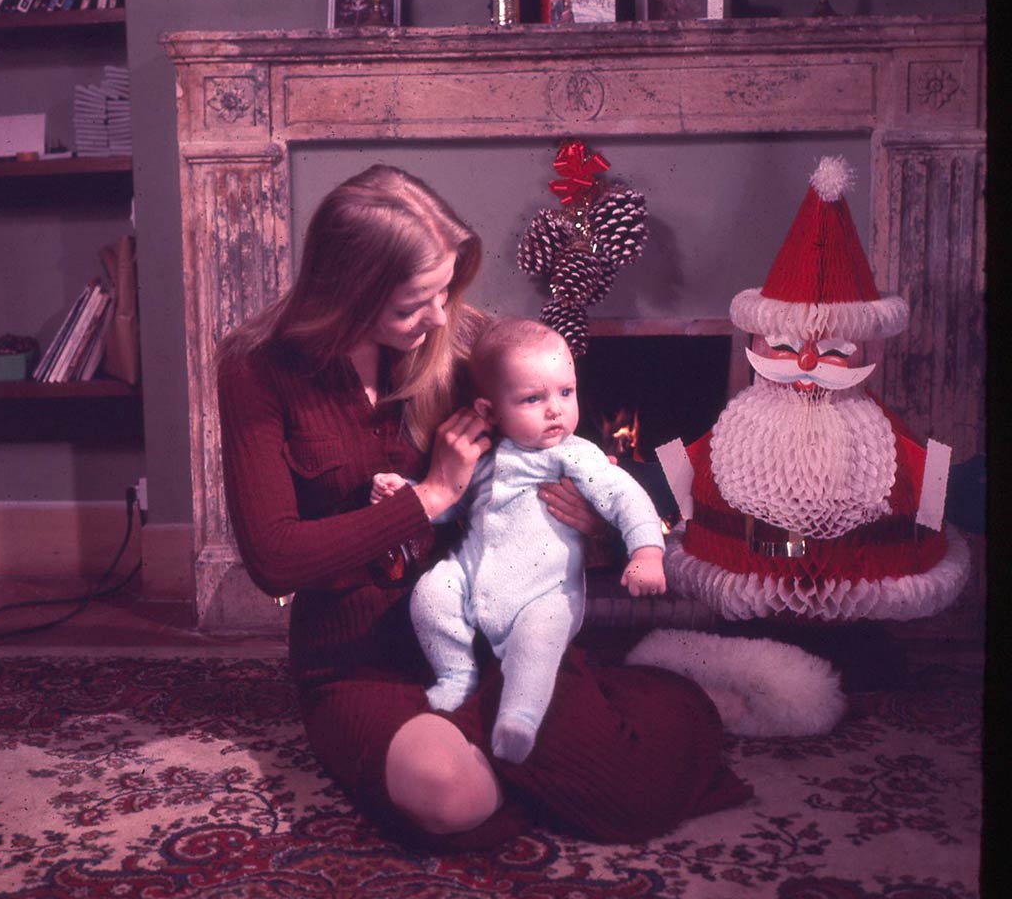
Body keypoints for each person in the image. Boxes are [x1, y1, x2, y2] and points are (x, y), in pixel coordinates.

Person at [214, 163, 752, 850]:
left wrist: (591, 519)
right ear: (347, 292)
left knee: (631, 797)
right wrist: (431, 496)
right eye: (413, 304)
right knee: (455, 800)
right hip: (359, 661)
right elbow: (274, 557)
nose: (441, 317)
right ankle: (524, 755)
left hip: (493, 630)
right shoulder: (257, 369)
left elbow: (565, 451)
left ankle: (663, 699)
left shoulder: (466, 340)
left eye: (445, 292)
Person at [631, 155, 970, 736]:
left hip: (858, 596)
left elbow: (936, 482)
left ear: (867, 350)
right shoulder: (737, 428)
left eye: (832, 351)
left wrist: (957, 490)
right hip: (753, 587)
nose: (808, 362)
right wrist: (613, 490)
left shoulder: (887, 437)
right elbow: (676, 474)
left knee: (863, 655)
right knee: (753, 615)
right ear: (758, 338)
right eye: (787, 347)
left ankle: (847, 661)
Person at [371, 318, 667, 764]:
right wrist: (407, 494)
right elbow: (450, 502)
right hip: (472, 576)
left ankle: (520, 718)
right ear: (490, 411)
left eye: (565, 392)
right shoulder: (483, 454)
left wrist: (646, 551)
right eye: (533, 399)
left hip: (543, 595)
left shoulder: (575, 455)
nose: (555, 410)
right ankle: (456, 675)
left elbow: (626, 496)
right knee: (431, 594)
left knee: (537, 645)